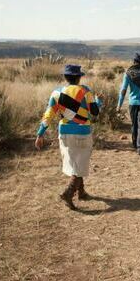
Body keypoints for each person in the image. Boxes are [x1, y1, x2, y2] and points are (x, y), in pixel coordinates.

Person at [35, 64, 102, 210]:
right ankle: (68, 192)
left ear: (65, 77)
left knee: (76, 163)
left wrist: (40, 133)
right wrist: (99, 102)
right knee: (80, 165)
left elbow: (48, 115)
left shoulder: (56, 93)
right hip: (82, 131)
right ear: (79, 77)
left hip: (64, 132)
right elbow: (95, 112)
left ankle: (82, 192)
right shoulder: (85, 91)